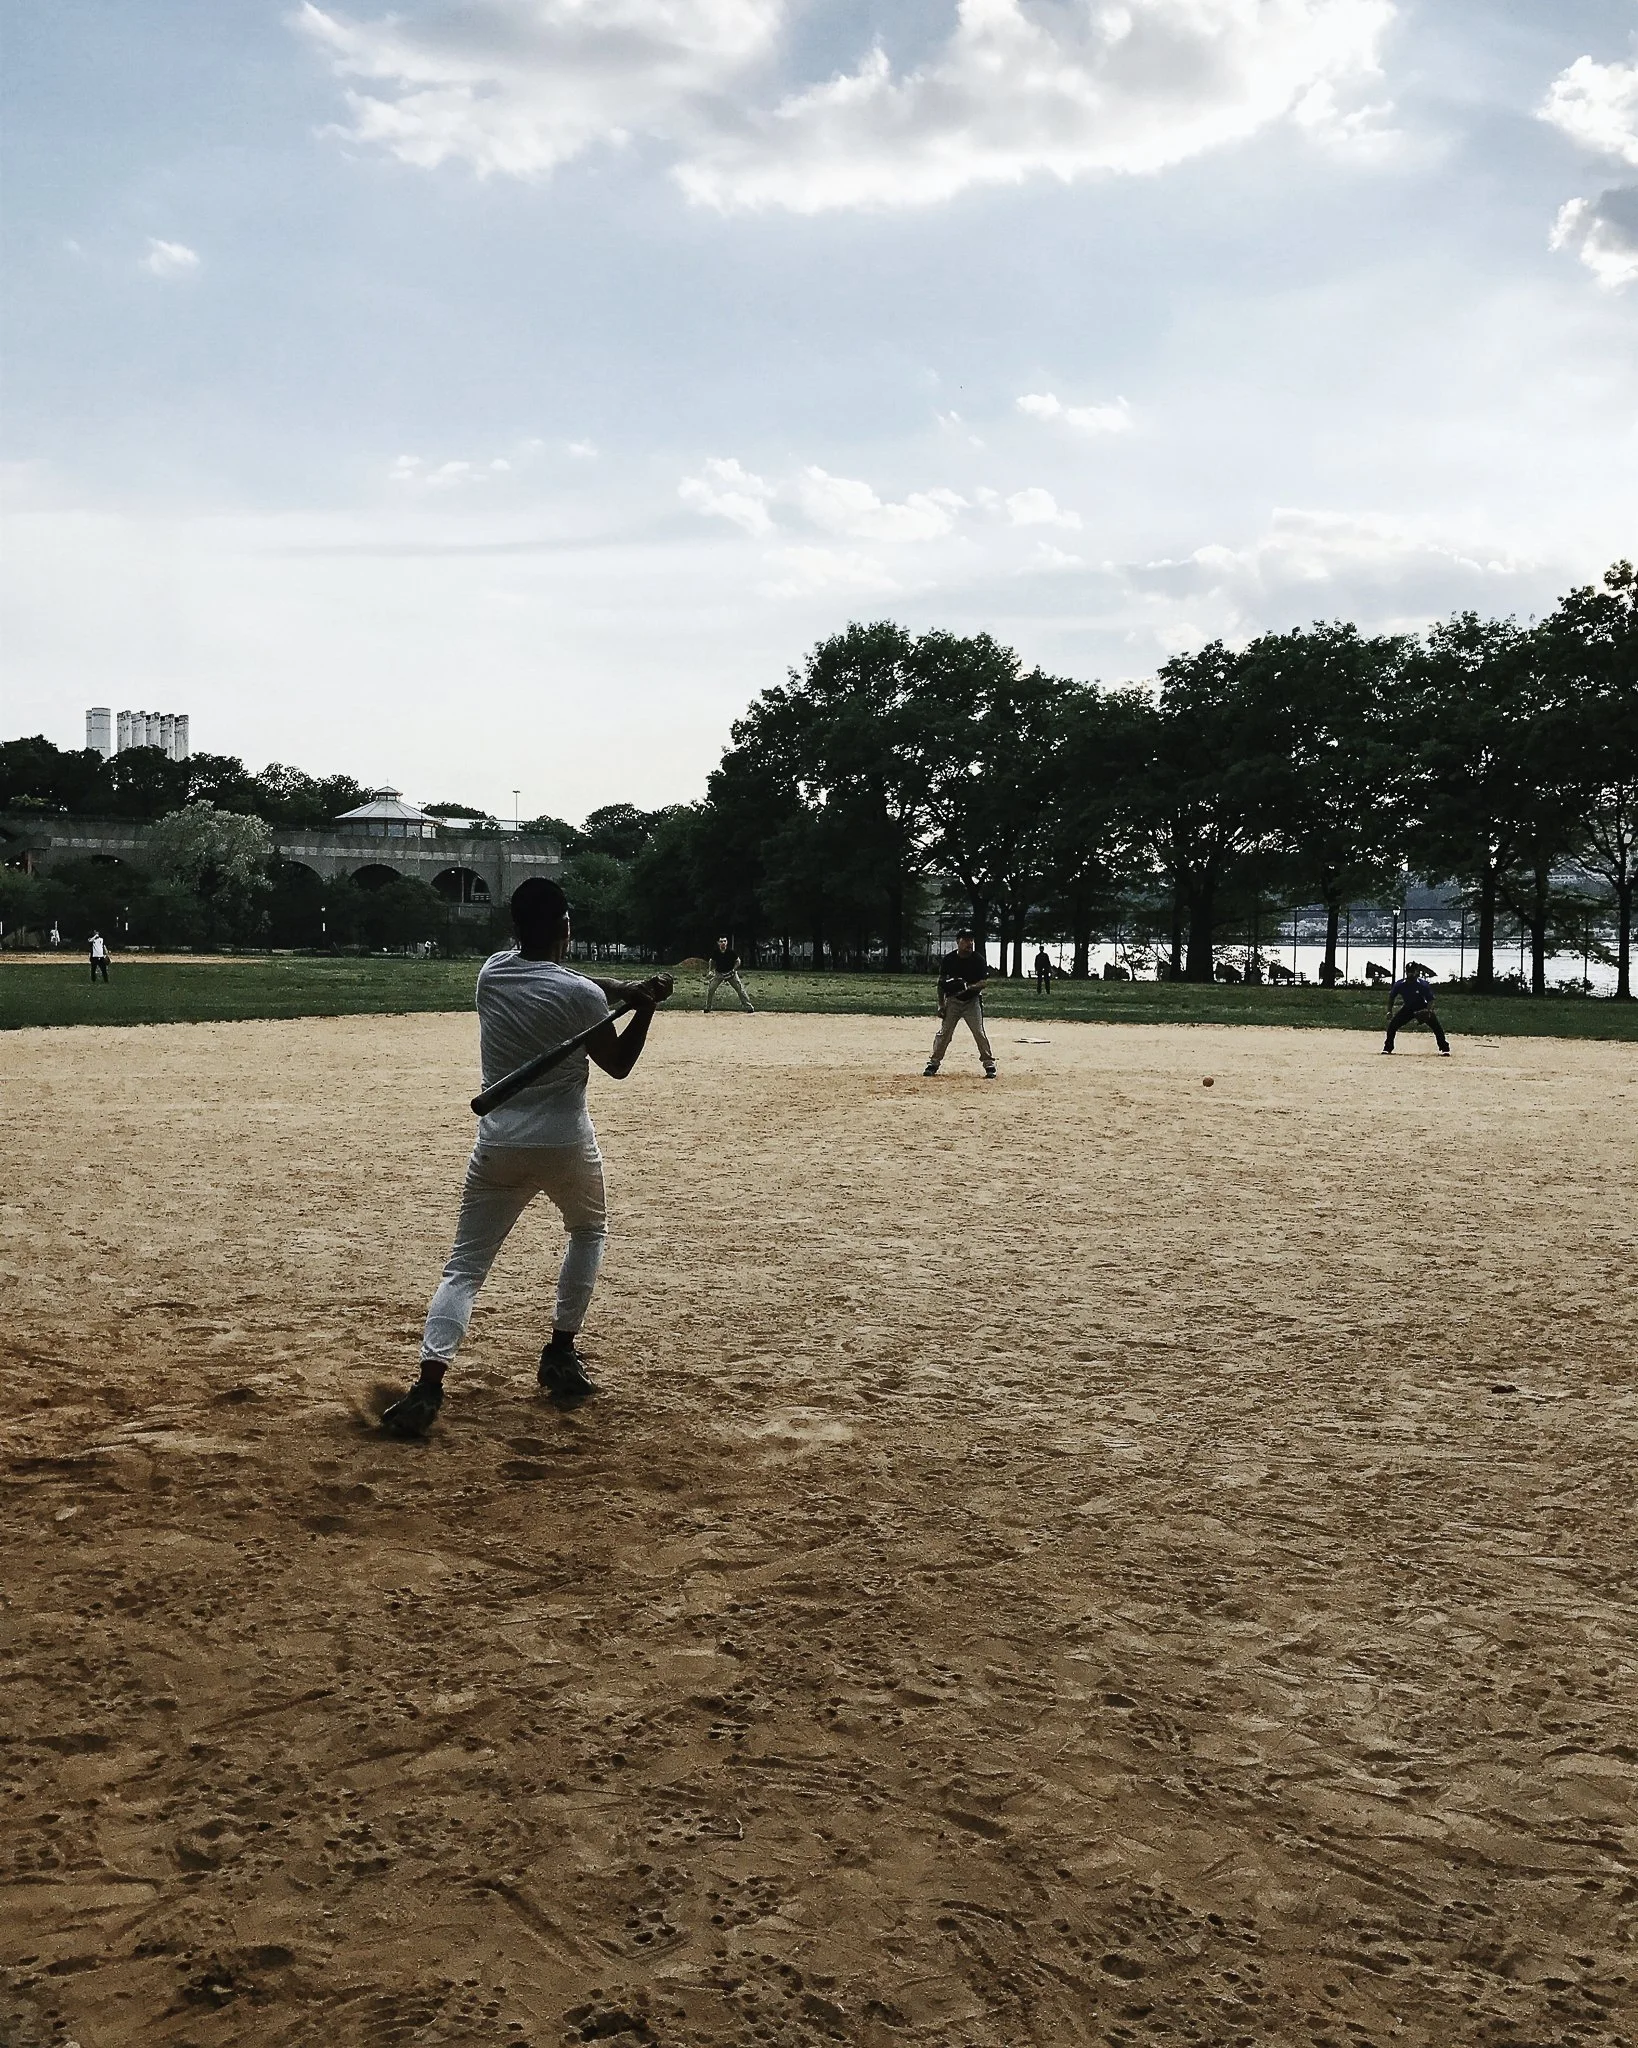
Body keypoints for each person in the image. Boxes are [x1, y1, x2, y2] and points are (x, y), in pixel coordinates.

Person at [381, 878, 671, 1440]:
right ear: (565, 927)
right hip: (566, 1144)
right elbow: (617, 1064)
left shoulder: (493, 973)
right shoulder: (580, 998)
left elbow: (579, 984)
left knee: (464, 1268)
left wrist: (626, 990)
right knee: (588, 1231)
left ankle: (429, 1384)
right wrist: (646, 1010)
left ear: (515, 927)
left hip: (498, 1145)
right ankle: (560, 1351)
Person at [925, 932, 995, 1078]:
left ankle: (989, 1063)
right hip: (953, 1001)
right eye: (966, 940)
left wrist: (967, 987)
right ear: (958, 941)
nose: (970, 943)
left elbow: (984, 983)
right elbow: (941, 983)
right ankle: (933, 1063)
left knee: (979, 1032)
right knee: (945, 1033)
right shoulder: (949, 959)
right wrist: (941, 1004)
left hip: (972, 1001)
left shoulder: (978, 959)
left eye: (971, 940)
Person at [1382, 966, 1451, 1056]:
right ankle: (1388, 1048)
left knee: (1437, 1028)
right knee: (1392, 1026)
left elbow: (1430, 1000)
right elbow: (1391, 997)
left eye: (1412, 971)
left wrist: (1429, 1011)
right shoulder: (1400, 984)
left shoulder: (1422, 984)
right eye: (1408, 971)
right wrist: (1389, 1011)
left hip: (1422, 1007)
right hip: (1408, 1008)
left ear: (1416, 972)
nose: (1410, 974)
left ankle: (1444, 1048)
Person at [704, 936, 755, 1013]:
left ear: (727, 942)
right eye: (721, 941)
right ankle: (708, 1007)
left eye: (724, 941)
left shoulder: (730, 952)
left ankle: (749, 1007)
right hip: (719, 974)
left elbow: (738, 961)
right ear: (718, 943)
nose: (723, 943)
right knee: (711, 988)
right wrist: (710, 970)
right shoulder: (716, 952)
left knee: (740, 989)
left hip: (731, 974)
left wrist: (734, 970)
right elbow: (711, 961)